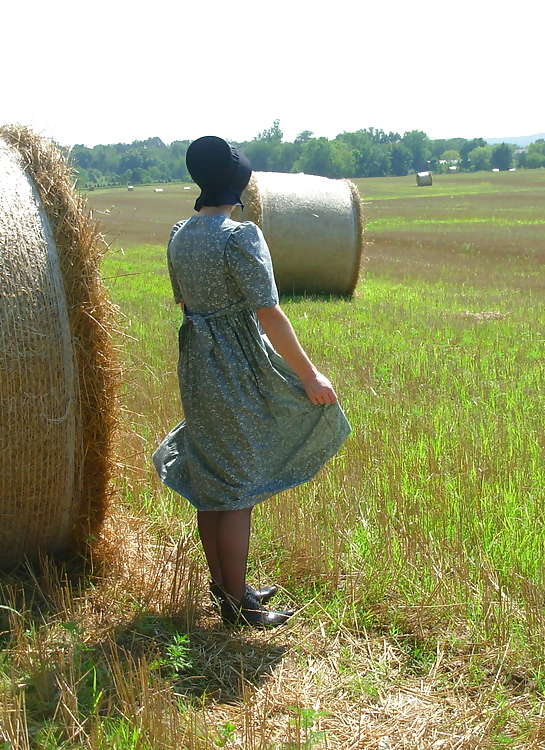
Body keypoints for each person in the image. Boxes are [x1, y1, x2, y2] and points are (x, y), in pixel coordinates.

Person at [153, 136, 351, 628]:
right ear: (238, 182)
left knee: (212, 477)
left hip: (197, 361)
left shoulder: (180, 233)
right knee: (237, 482)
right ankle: (238, 607)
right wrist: (309, 374)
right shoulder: (239, 236)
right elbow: (269, 313)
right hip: (235, 364)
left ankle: (228, 590)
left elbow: (185, 304)